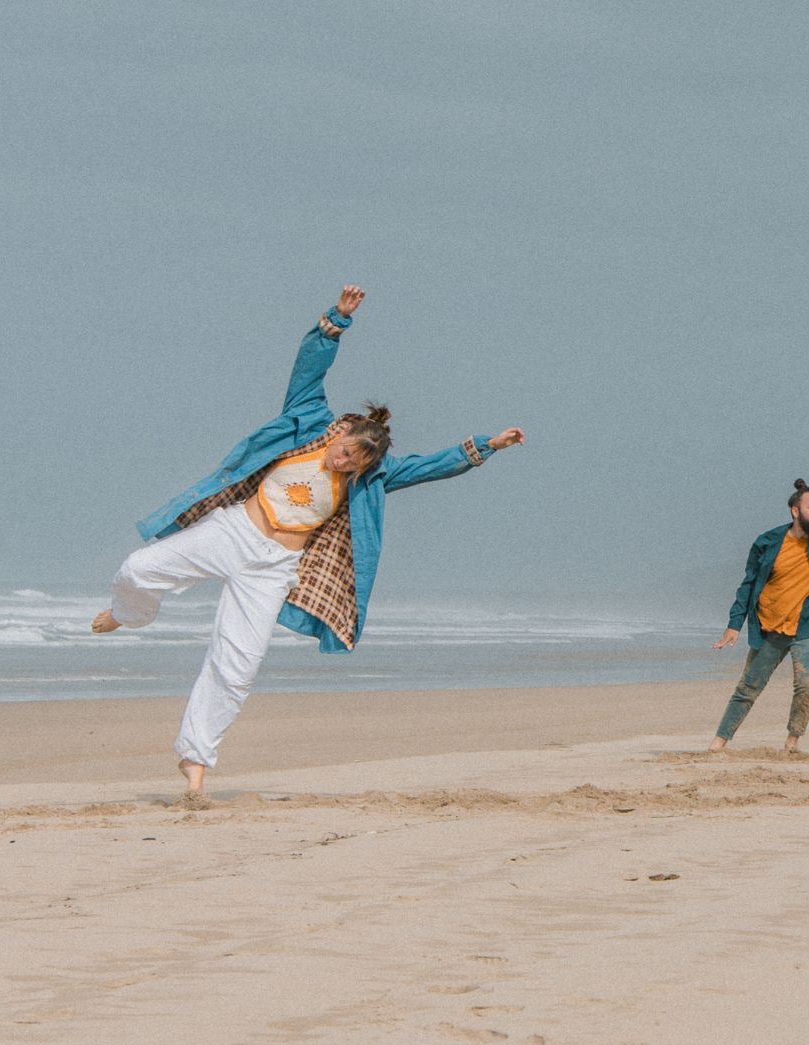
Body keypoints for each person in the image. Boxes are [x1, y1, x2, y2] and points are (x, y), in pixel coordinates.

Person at [92, 286, 527, 798]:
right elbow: (308, 371)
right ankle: (130, 613)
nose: (342, 463)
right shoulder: (309, 423)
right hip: (232, 531)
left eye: (354, 463)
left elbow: (432, 466)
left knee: (238, 663)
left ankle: (195, 762)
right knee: (139, 569)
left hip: (274, 565)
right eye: (344, 453)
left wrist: (486, 446)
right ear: (341, 435)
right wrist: (336, 321)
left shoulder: (371, 477)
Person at [710, 479, 809, 752]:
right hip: (770, 627)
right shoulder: (767, 542)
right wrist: (734, 625)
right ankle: (718, 743)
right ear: (795, 511)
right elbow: (748, 584)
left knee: (807, 686)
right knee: (748, 688)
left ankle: (792, 743)